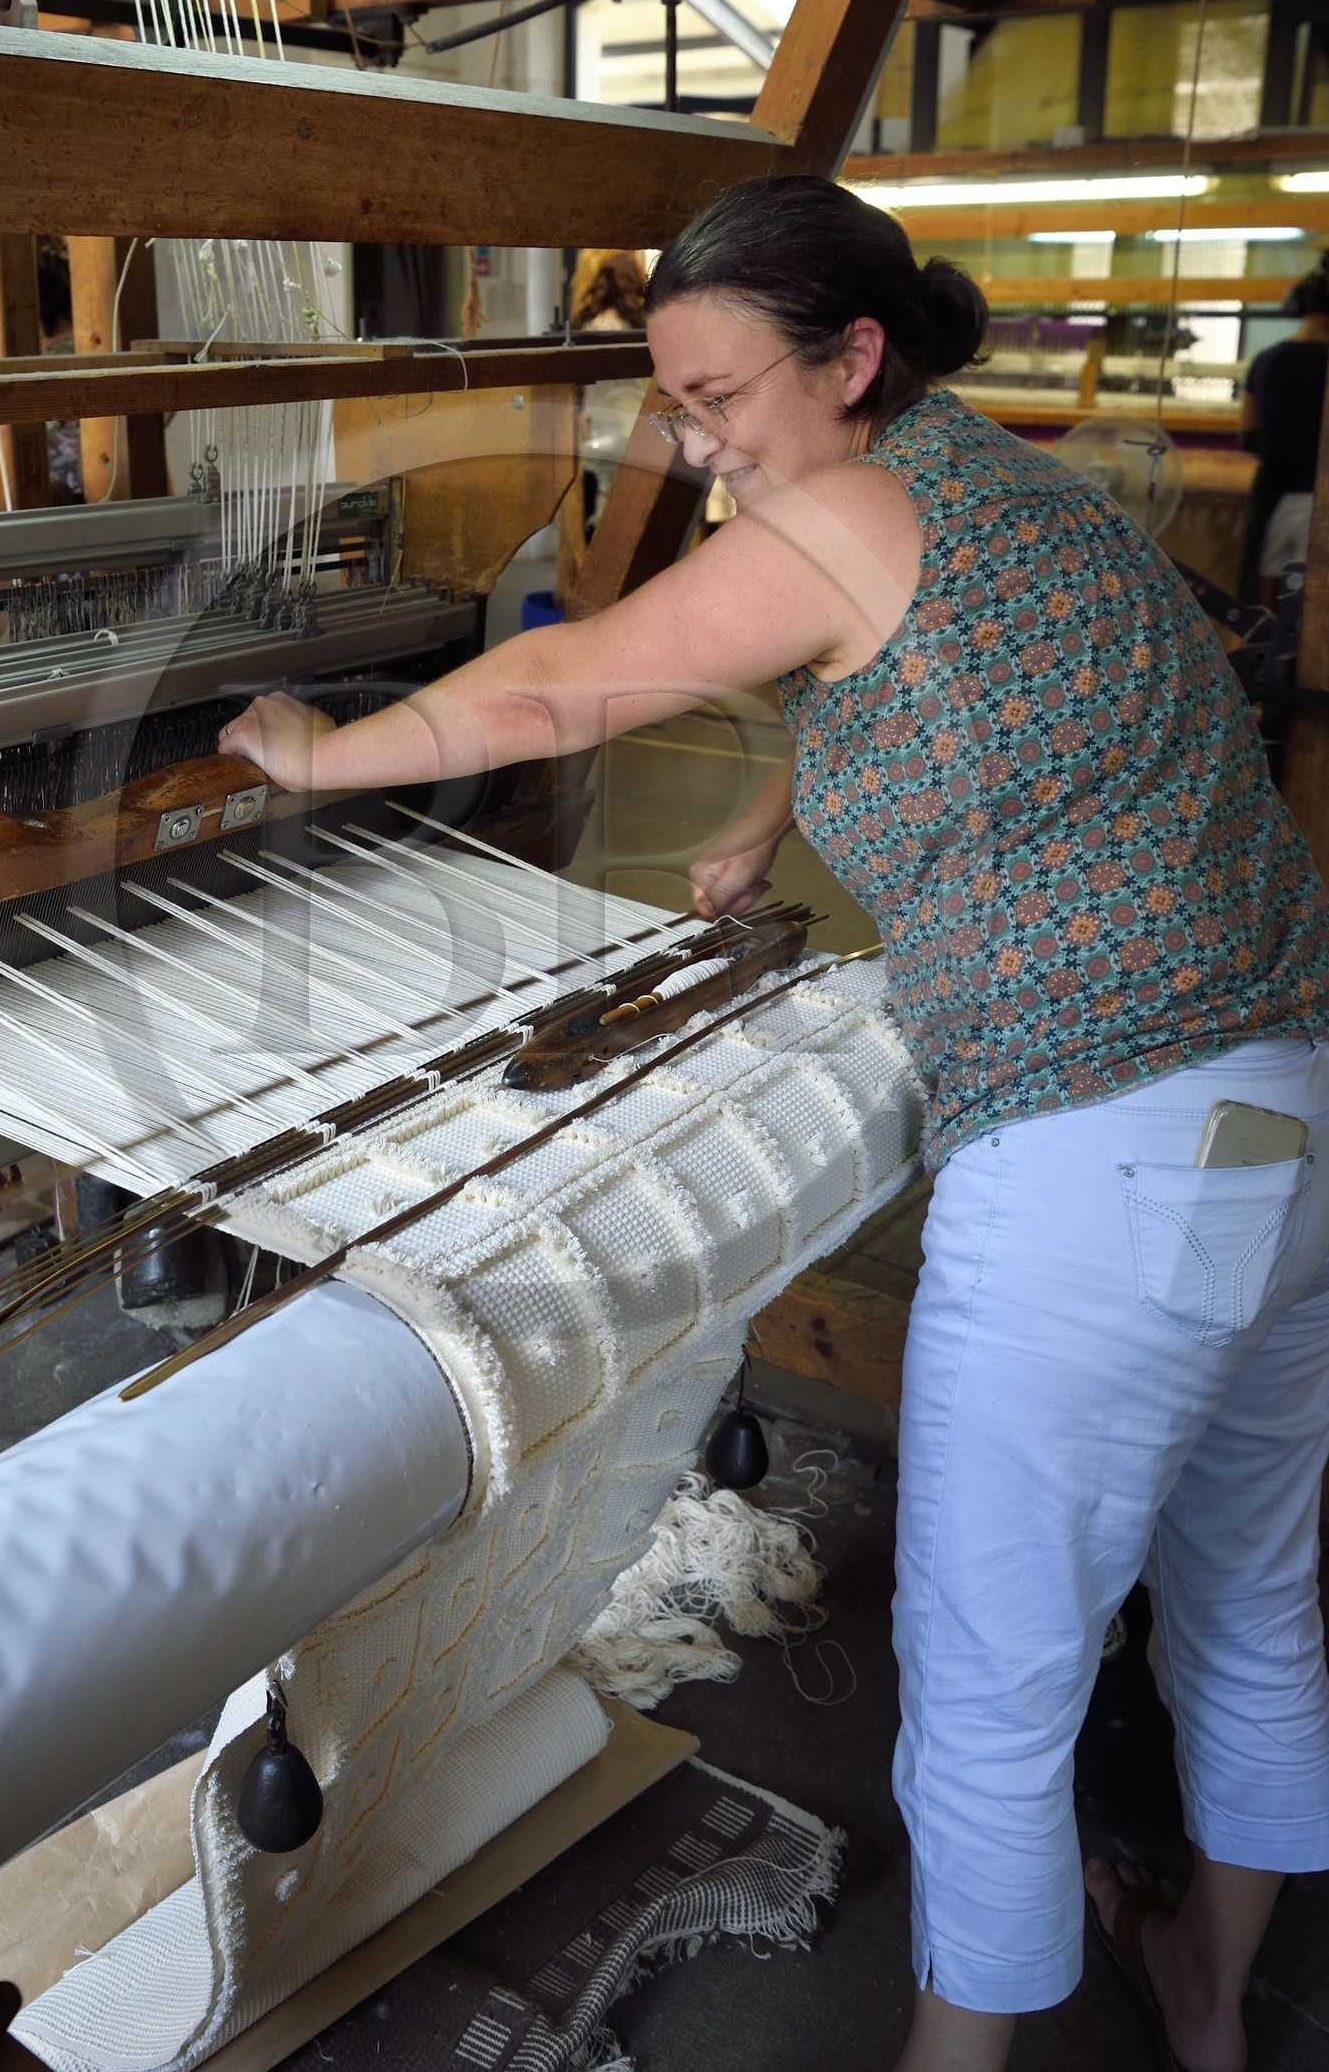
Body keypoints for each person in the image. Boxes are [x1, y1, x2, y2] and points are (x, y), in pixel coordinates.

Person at [220, 174, 1329, 2072]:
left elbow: (561, 683)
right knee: (1252, 1609)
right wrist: (773, 815)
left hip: (1105, 1168)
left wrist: (322, 752)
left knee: (988, 1686)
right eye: (676, 405)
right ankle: (1216, 2009)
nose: (700, 440)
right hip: (1284, 1123)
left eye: (724, 396)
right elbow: (960, 694)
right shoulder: (1019, 489)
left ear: (855, 356)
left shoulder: (831, 519)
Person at [1239, 252, 1328, 600]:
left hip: (1274, 491)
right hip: (1322, 493)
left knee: (1262, 595)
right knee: (1314, 600)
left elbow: (1248, 436)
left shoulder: (1267, 361)